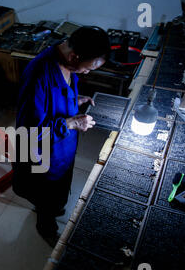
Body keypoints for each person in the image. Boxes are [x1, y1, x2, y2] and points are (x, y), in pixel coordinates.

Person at [12, 26, 111, 244]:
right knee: (45, 195)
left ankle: (53, 208)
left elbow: (56, 101)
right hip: (44, 153)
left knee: (59, 189)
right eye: (87, 69)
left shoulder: (69, 64)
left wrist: (76, 100)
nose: (87, 73)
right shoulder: (39, 75)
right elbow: (31, 131)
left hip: (63, 147)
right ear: (75, 56)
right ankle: (46, 228)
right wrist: (73, 122)